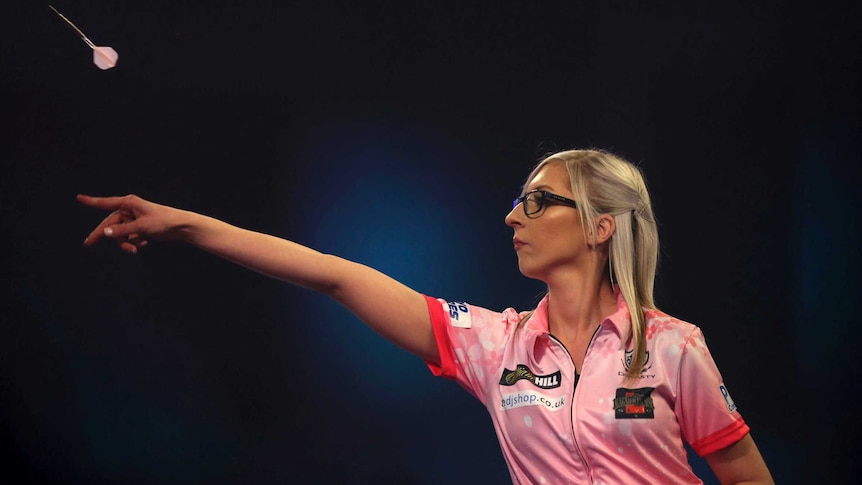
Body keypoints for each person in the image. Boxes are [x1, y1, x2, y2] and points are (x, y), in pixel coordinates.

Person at [78, 148, 774, 484]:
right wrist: (188, 226)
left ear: (598, 228)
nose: (512, 216)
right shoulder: (495, 345)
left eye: (536, 202)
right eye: (515, 200)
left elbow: (744, 473)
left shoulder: (673, 347)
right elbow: (335, 274)